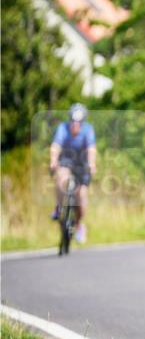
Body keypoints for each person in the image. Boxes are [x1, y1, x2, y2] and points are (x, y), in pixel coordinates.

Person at [50, 103, 96, 243]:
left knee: (81, 196)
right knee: (61, 178)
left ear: (83, 122)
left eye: (79, 122)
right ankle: (59, 207)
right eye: (73, 121)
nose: (75, 125)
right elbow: (56, 146)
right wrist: (53, 160)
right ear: (69, 120)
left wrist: (92, 164)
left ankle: (79, 224)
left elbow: (91, 149)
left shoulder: (88, 130)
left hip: (82, 163)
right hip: (67, 160)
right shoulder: (62, 129)